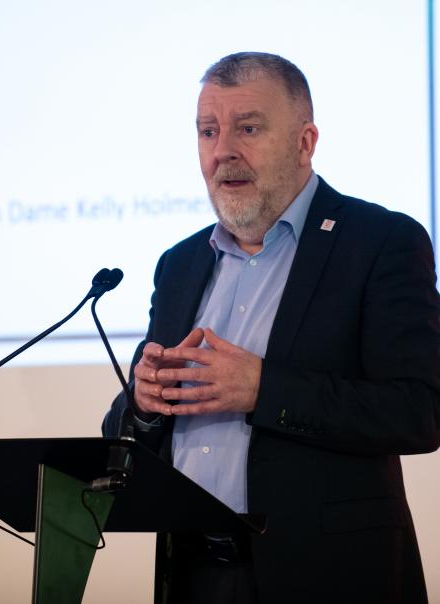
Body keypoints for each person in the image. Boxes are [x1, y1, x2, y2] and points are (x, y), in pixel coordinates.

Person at [102, 52, 440, 604]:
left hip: (329, 578)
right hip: (191, 576)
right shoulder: (180, 263)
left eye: (248, 128)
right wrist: (141, 404)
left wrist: (264, 390)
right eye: (208, 131)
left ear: (305, 143)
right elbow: (127, 430)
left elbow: (419, 412)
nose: (222, 151)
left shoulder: (381, 243)